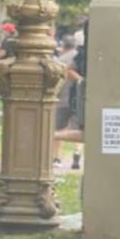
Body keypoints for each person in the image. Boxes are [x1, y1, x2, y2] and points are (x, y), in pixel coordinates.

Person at [52, 34, 83, 168]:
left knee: (58, 129)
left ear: (63, 45)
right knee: (80, 128)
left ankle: (57, 158)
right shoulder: (80, 57)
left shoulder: (60, 60)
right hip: (80, 99)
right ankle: (77, 154)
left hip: (63, 99)